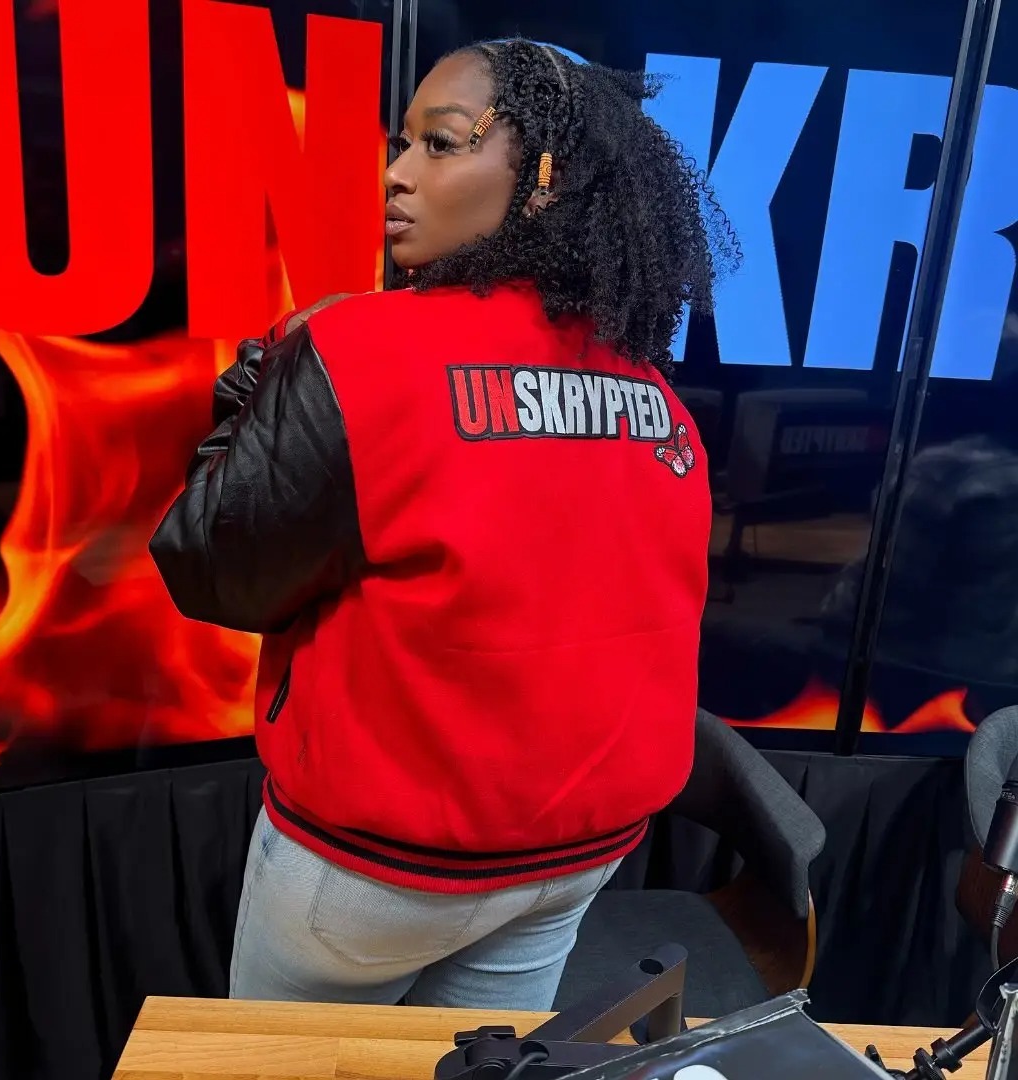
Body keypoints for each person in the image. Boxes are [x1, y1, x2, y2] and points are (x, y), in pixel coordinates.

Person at [149, 38, 736, 1011]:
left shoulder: (360, 350)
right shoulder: (652, 394)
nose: (397, 173)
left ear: (544, 178)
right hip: (574, 860)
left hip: (373, 870)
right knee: (468, 1070)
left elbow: (211, 567)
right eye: (403, 145)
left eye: (442, 143)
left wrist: (267, 369)